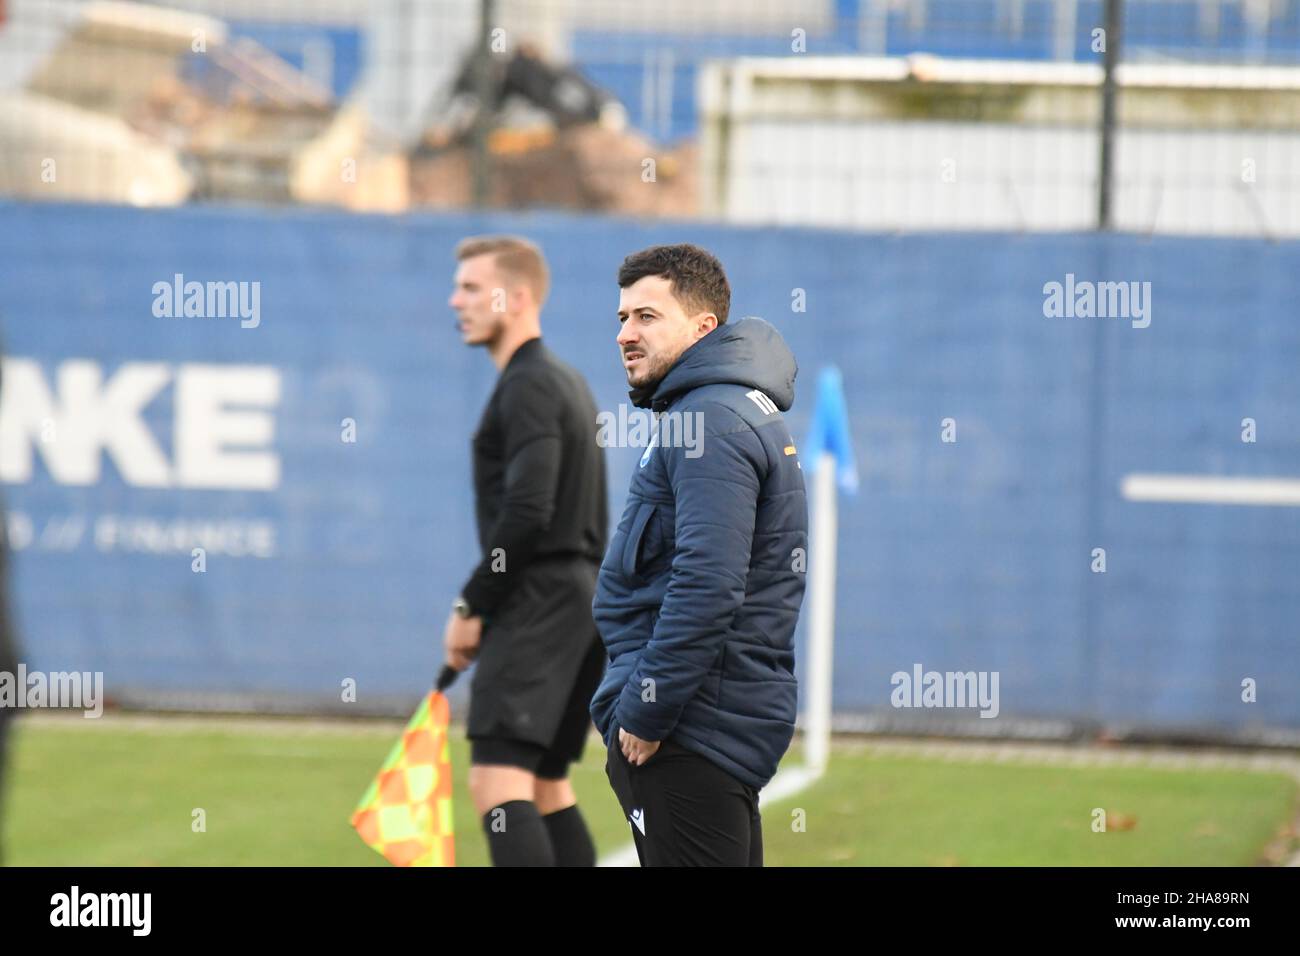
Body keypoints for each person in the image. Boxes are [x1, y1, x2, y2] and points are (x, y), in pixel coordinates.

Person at [591, 243, 808, 867]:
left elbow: (709, 583)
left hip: (689, 732)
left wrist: (646, 708)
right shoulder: (725, 408)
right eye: (622, 318)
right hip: (711, 724)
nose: (626, 335)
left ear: (703, 327)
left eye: (646, 318)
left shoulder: (710, 419)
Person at [443, 235, 609, 867]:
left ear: (513, 298)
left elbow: (530, 513)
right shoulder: (563, 381)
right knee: (544, 785)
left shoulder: (530, 385)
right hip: (578, 600)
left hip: (541, 600)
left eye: (469, 287)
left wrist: (474, 602)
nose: (455, 300)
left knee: (497, 783)